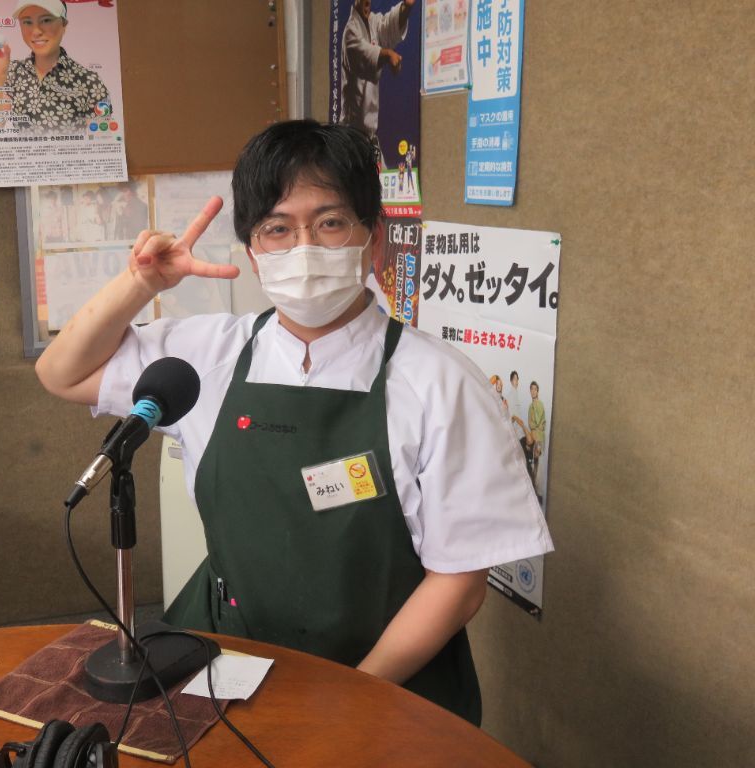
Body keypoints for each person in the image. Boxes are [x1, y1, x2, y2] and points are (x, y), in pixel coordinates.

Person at [35, 120, 553, 726]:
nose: (304, 248)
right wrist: (141, 282)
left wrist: (352, 698)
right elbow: (61, 373)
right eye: (277, 229)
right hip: (230, 658)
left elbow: (459, 581)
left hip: (389, 683)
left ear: (374, 240)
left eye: (330, 223)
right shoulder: (207, 355)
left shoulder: (440, 383)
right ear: (254, 256)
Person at [0, 1, 109, 132]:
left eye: (46, 20)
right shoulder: (13, 72)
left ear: (64, 25)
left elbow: (103, 138)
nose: (36, 31)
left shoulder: (90, 81)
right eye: (27, 22)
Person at [340, 0, 417, 138]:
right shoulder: (350, 31)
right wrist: (388, 55)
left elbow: (389, 27)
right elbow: (365, 54)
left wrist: (406, 8)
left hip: (369, 133)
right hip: (350, 132)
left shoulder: (373, 22)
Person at [528, 381, 547, 496]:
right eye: (531, 389)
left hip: (538, 439)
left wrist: (536, 427)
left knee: (538, 466)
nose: (533, 391)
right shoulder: (530, 406)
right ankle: (535, 491)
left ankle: (538, 492)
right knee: (533, 464)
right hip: (533, 438)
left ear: (537, 391)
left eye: (535, 389)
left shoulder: (539, 404)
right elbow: (530, 423)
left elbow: (539, 422)